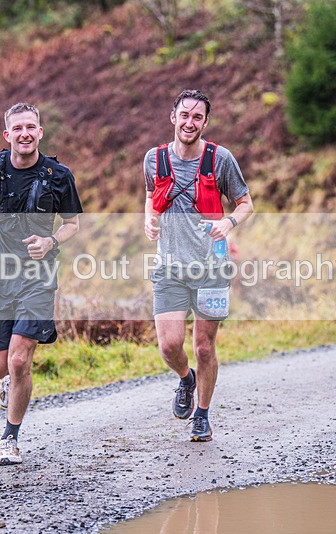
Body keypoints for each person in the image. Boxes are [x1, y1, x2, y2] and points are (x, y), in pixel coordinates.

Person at [0, 102, 82, 466]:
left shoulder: (58, 174)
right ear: (7, 134)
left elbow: (73, 223)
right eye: (18, 128)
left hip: (37, 278)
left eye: (31, 127)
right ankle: (8, 384)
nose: (25, 134)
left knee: (18, 361)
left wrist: (51, 241)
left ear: (40, 132)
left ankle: (10, 438)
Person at [143, 89, 253, 442]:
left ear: (205, 122)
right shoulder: (154, 159)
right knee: (169, 346)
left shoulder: (221, 160)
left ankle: (202, 415)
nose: (190, 122)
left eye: (197, 117)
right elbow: (150, 195)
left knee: (204, 346)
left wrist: (229, 223)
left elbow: (245, 203)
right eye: (184, 115)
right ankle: (186, 379)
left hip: (212, 267)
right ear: (172, 117)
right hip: (170, 268)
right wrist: (149, 220)